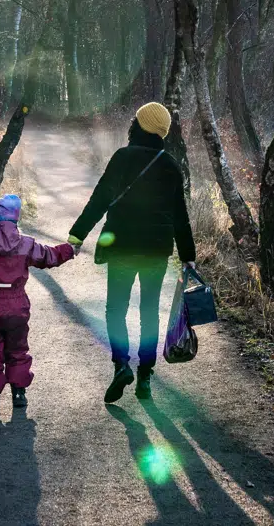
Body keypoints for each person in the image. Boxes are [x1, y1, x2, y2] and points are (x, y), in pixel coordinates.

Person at [68, 102, 195, 404]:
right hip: (156, 252)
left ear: (138, 126)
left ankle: (121, 365)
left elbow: (99, 199)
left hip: (122, 247)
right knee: (149, 311)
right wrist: (188, 254)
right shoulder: (170, 166)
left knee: (116, 309)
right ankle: (145, 376)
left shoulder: (123, 157)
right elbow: (180, 216)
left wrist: (77, 235)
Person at [0, 194, 76, 414]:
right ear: (15, 220)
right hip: (16, 305)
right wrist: (68, 249)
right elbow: (49, 256)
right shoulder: (25, 244)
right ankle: (19, 392)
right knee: (18, 349)